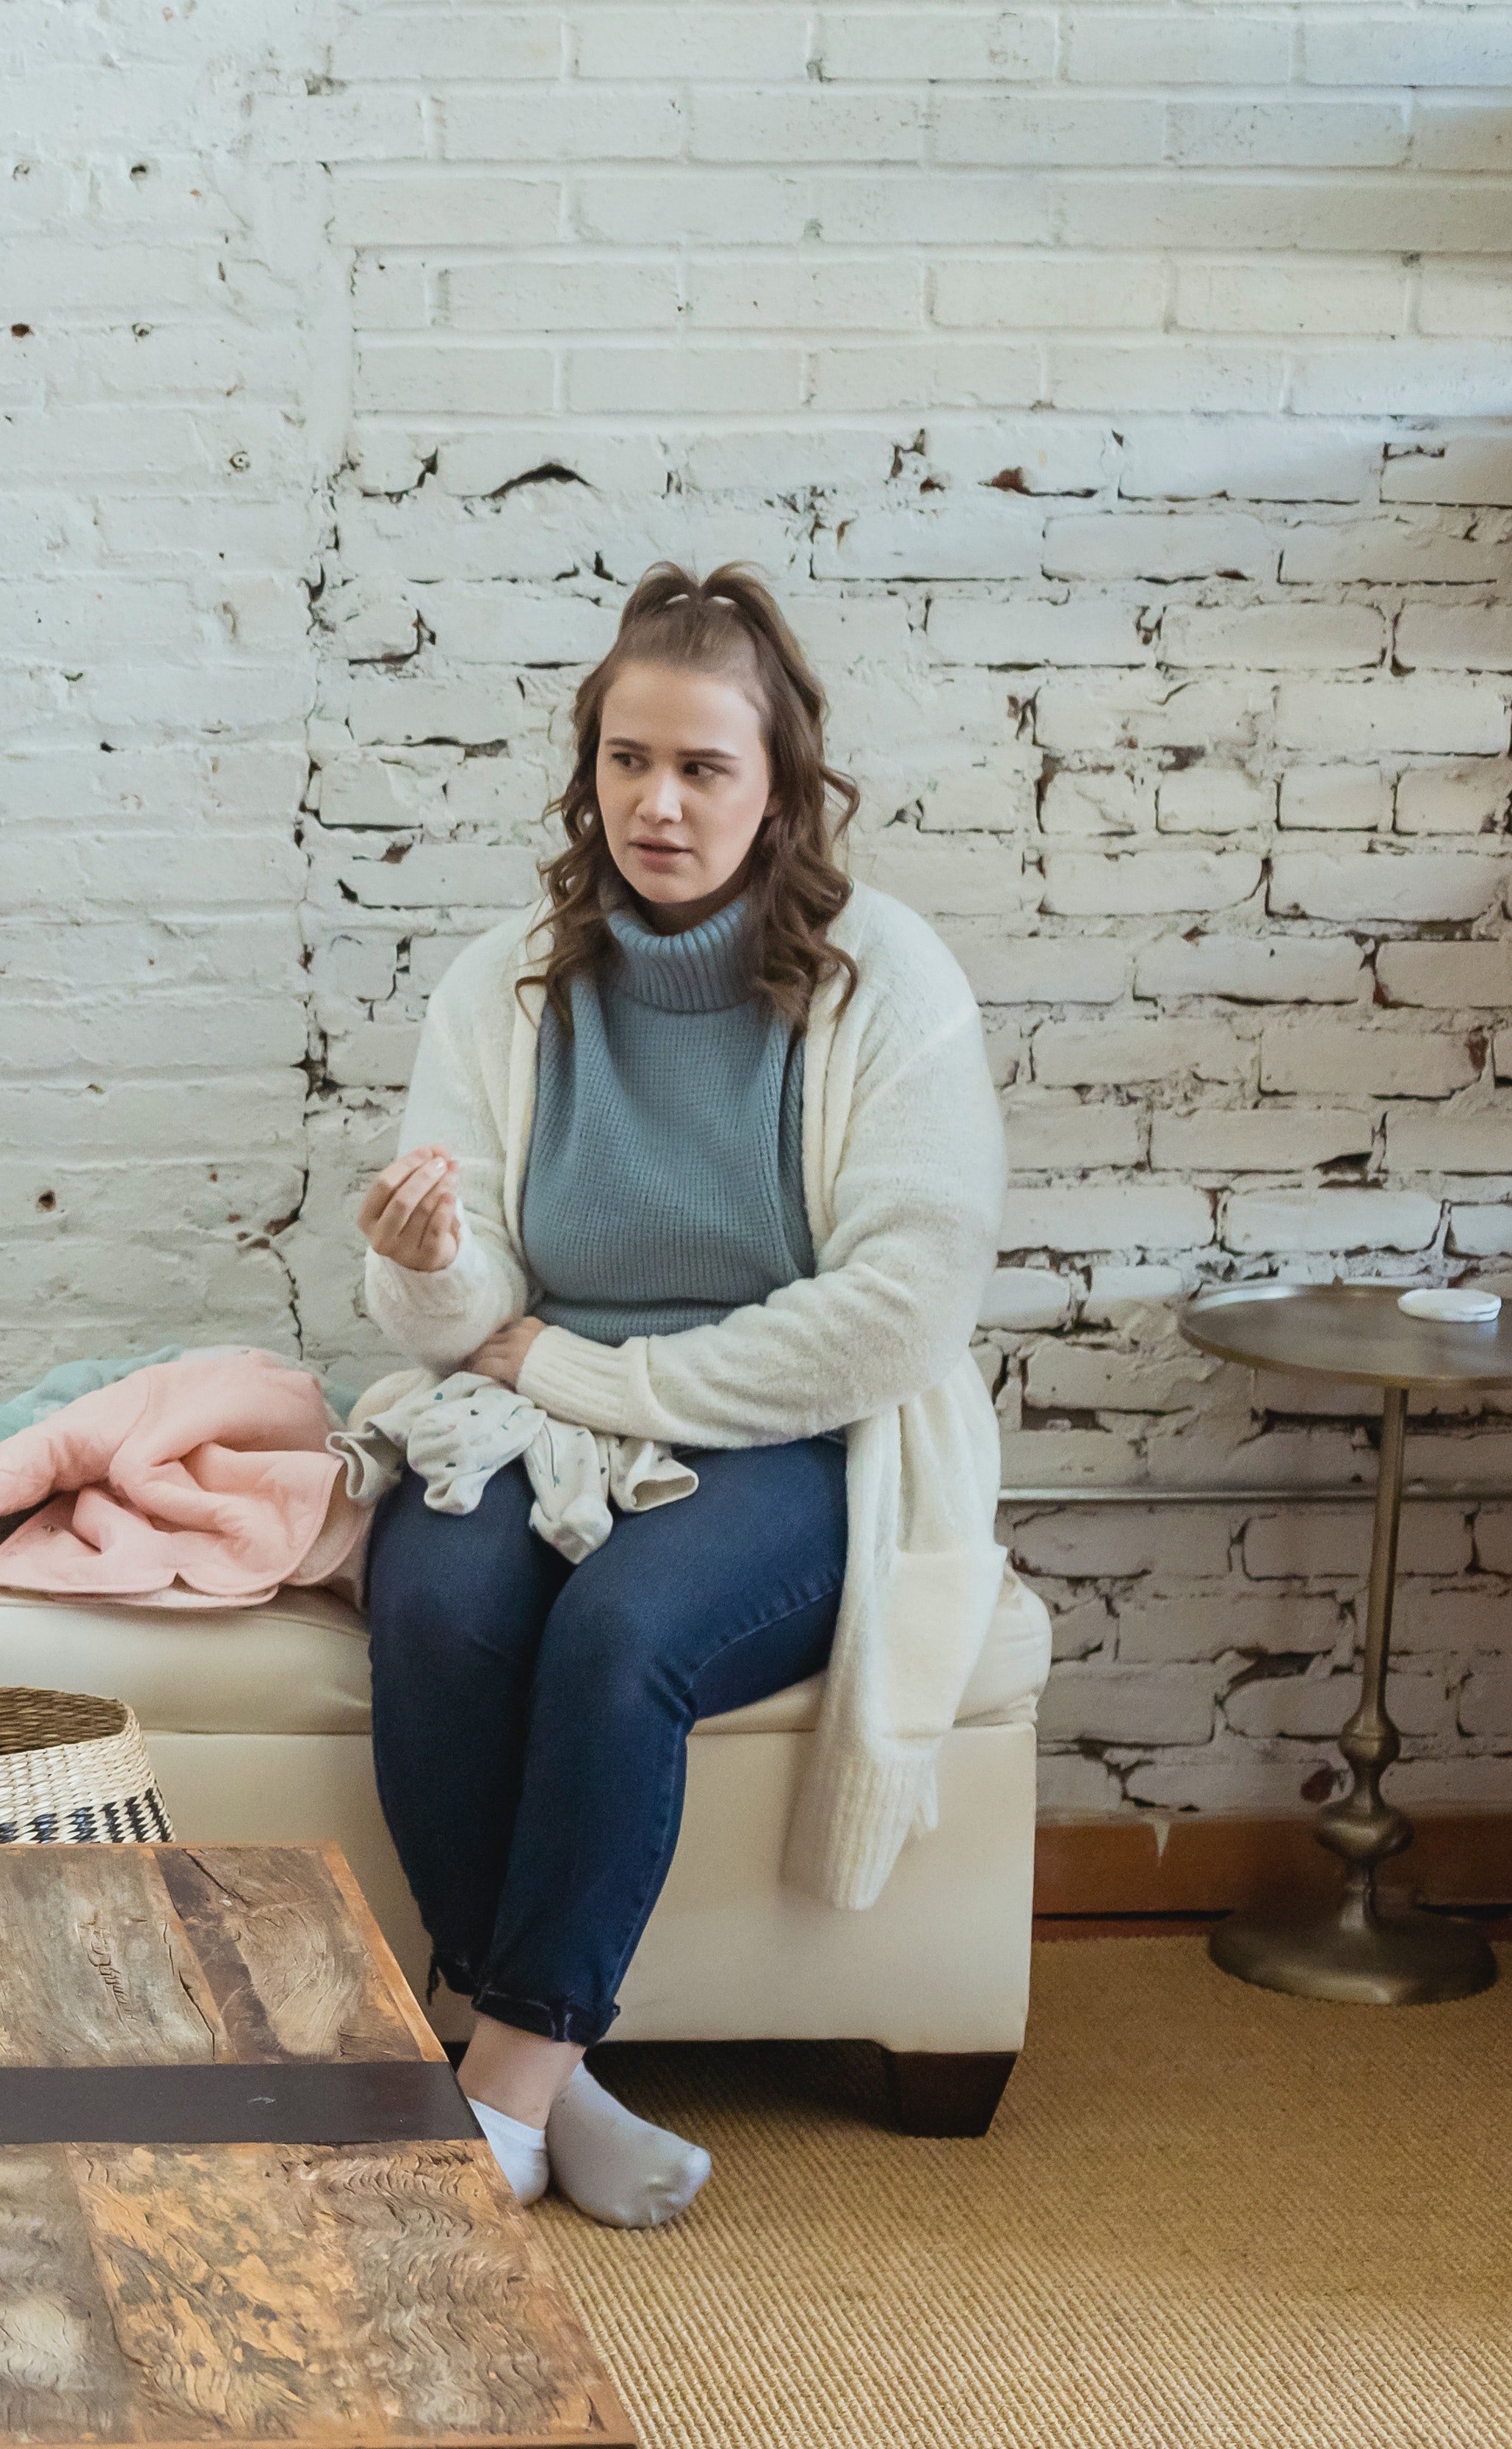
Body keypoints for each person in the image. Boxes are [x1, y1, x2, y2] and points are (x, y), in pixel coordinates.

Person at [347, 564, 1003, 2230]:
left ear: (779, 783)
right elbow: (456, 1308)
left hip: (790, 1428)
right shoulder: (505, 981)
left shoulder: (887, 980)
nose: (659, 802)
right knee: (431, 1602)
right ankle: (565, 2080)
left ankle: (498, 2092)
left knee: (622, 1633)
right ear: (590, 773)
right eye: (629, 761)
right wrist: (426, 1262)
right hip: (538, 1407)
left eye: (705, 767)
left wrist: (586, 1369)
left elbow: (901, 1308)